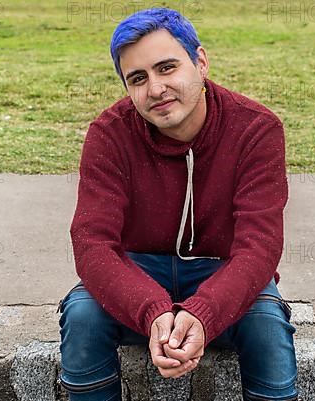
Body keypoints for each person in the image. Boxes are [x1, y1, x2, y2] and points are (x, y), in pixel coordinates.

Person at [57, 7, 298, 401]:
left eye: (167, 68)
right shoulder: (109, 134)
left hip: (222, 272)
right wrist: (152, 310)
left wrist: (202, 312)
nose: (155, 89)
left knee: (268, 326)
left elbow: (260, 247)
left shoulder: (256, 129)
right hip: (138, 272)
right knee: (82, 318)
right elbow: (92, 245)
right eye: (138, 78)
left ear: (200, 62)